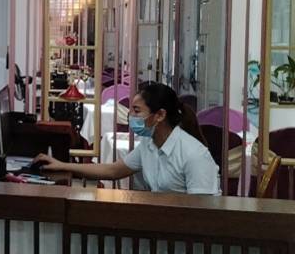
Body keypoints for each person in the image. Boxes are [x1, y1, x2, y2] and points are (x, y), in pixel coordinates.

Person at [34, 82, 221, 195]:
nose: (130, 115)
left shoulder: (194, 155)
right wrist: (62, 165)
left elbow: (202, 210)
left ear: (160, 115)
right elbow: (113, 170)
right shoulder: (149, 145)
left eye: (137, 111)